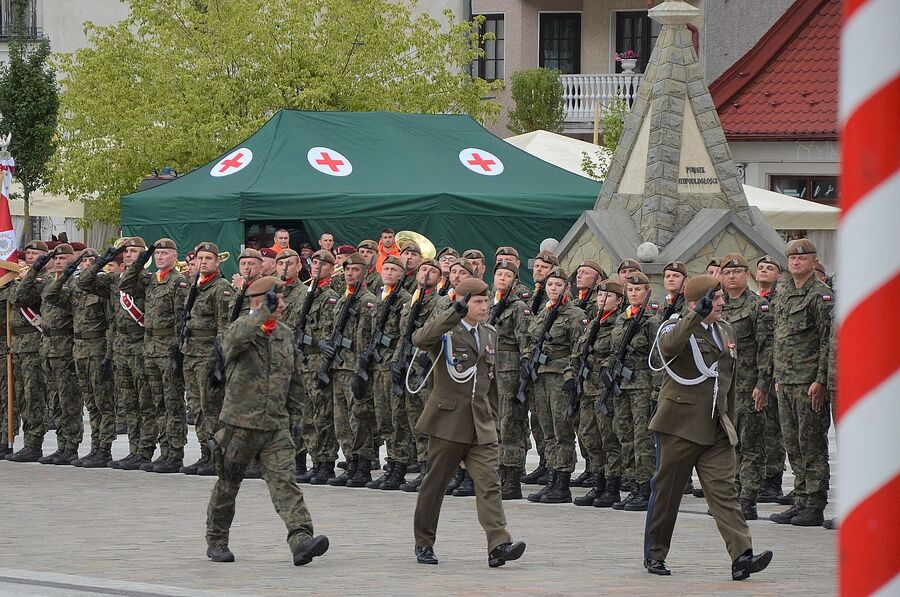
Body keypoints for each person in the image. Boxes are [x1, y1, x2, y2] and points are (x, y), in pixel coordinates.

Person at [644, 274, 773, 580]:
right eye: (714, 299)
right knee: (668, 493)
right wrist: (694, 315)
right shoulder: (676, 327)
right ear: (695, 302)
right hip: (680, 426)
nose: (721, 302)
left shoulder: (725, 329)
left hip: (715, 426)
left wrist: (728, 421)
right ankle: (655, 554)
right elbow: (669, 346)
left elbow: (727, 380)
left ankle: (742, 555)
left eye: (720, 298)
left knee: (724, 493)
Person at [205, 276, 329, 566]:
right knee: (227, 485)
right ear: (259, 302)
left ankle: (301, 540)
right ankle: (217, 540)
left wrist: (295, 419)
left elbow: (295, 381)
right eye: (277, 300)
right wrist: (262, 314)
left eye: (283, 299)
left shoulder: (285, 334)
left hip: (275, 426)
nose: (283, 305)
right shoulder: (239, 329)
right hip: (240, 426)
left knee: (285, 483)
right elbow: (231, 342)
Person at [411, 277, 526, 568]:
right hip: (448, 421)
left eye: (486, 301)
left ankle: (498, 543)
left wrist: (494, 418)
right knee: (435, 484)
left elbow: (492, 381)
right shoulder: (447, 333)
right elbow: (420, 339)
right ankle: (424, 542)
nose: (484, 306)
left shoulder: (490, 333)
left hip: (480, 422)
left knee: (489, 482)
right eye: (477, 301)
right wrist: (454, 314)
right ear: (462, 302)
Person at [769, 238, 833, 527]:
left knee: (811, 444)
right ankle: (800, 499)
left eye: (802, 258)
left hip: (808, 382)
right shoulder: (782, 292)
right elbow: (779, 338)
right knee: (792, 444)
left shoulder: (820, 295)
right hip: (786, 379)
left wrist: (820, 380)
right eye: (792, 258)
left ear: (813, 261)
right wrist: (777, 377)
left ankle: (815, 504)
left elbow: (825, 342)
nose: (796, 262)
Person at [78, 238, 152, 469]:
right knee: (128, 403)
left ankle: (145, 450)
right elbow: (85, 282)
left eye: (134, 251)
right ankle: (133, 450)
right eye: (126, 252)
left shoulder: (148, 280)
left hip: (140, 345)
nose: (129, 255)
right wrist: (103, 260)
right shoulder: (113, 280)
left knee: (144, 402)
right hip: (119, 347)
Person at [120, 238, 190, 473]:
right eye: (157, 253)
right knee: (157, 403)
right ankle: (164, 451)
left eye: (164, 253)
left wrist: (178, 349)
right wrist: (142, 257)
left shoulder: (178, 282)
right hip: (150, 348)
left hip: (167, 348)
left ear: (174, 256)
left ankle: (175, 453)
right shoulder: (151, 280)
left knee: (172, 403)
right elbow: (127, 283)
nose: (160, 257)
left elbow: (182, 319)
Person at [46, 247, 116, 468]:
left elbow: (111, 323)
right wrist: (69, 269)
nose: (87, 263)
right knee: (91, 404)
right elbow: (50, 295)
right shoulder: (76, 289)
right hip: (79, 351)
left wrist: (108, 355)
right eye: (84, 261)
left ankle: (104, 449)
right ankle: (94, 448)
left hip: (97, 350)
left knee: (103, 402)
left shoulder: (104, 290)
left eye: (92, 261)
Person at [14, 244, 82, 465]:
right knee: (55, 399)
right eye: (57, 258)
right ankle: (61, 445)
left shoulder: (76, 283)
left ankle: (70, 446)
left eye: (64, 258)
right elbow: (21, 297)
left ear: (73, 259)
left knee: (68, 399)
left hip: (65, 347)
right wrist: (34, 270)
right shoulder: (49, 282)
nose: (60, 261)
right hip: (47, 347)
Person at [524, 267, 586, 505]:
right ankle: (551, 477)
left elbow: (577, 349)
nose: (553, 289)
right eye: (550, 285)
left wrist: (572, 376)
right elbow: (532, 339)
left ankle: (562, 481)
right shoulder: (543, 312)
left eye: (558, 285)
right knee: (547, 429)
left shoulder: (573, 315)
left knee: (562, 431)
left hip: (560, 378)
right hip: (540, 377)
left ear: (566, 288)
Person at [720, 254, 774, 521]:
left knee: (751, 445)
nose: (732, 276)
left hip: (749, 386)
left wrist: (762, 385)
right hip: (725, 388)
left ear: (746, 274)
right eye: (727, 272)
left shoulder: (757, 306)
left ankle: (748, 499)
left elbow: (767, 348)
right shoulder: (718, 306)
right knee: (730, 445)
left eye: (737, 272)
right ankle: (734, 495)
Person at [563, 280, 625, 508]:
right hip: (587, 388)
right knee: (590, 436)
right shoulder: (594, 323)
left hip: (605, 390)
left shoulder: (619, 324)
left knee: (609, 438)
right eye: (600, 295)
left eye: (608, 296)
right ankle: (597, 481)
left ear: (619, 301)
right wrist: (571, 374)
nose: (602, 299)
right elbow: (577, 352)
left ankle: (612, 486)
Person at [321, 252, 378, 487]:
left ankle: (363, 465)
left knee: (359, 418)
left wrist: (362, 369)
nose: (349, 274)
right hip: (338, 366)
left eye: (355, 270)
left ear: (364, 272)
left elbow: (366, 337)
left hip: (355, 366)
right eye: (346, 270)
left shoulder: (367, 300)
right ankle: (350, 462)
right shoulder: (345, 299)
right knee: (342, 420)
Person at [607, 272, 659, 510]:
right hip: (622, 385)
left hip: (641, 385)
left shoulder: (651, 321)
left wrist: (656, 390)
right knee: (624, 434)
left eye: (639, 290)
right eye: (630, 290)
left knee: (642, 438)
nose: (634, 294)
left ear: (647, 292)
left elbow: (657, 358)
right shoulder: (622, 319)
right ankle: (631, 482)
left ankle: (644, 486)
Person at [180, 243, 232, 476]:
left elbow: (224, 326)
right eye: (200, 258)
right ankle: (205, 451)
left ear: (217, 261)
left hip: (208, 354)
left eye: (208, 258)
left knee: (211, 407)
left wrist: (219, 361)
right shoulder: (196, 285)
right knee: (197, 406)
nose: (203, 262)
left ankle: (219, 454)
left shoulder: (220, 288)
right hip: (191, 352)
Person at [363, 255, 412, 490]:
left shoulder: (404, 299)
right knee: (383, 418)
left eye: (394, 269)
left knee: (397, 418)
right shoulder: (380, 298)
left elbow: (402, 334)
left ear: (402, 274)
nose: (389, 272)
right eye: (387, 268)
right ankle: (390, 462)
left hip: (392, 364)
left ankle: (399, 466)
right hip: (377, 365)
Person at [295, 250, 339, 484]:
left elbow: (327, 333)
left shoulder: (329, 296)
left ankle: (326, 462)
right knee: (307, 416)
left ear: (331, 269)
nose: (317, 267)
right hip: (304, 361)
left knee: (322, 415)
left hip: (318, 360)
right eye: (314, 263)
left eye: (323, 264)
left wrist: (310, 341)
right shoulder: (308, 293)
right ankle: (316, 460)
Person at [4, 241, 50, 463]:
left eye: (36, 254)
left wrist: (30, 273)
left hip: (34, 344)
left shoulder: (44, 280)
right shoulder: (20, 279)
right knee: (21, 395)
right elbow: (11, 297)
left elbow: (22, 297)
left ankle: (34, 444)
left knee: (33, 396)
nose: (31, 257)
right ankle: (18, 440)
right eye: (28, 254)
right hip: (18, 345)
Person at [753, 254, 785, 502]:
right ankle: (761, 478)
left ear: (778, 275)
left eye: (770, 268)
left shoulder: (780, 300)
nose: (764, 271)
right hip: (755, 373)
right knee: (759, 429)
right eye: (761, 267)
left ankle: (773, 482)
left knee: (773, 430)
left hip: (777, 373)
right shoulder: (755, 301)